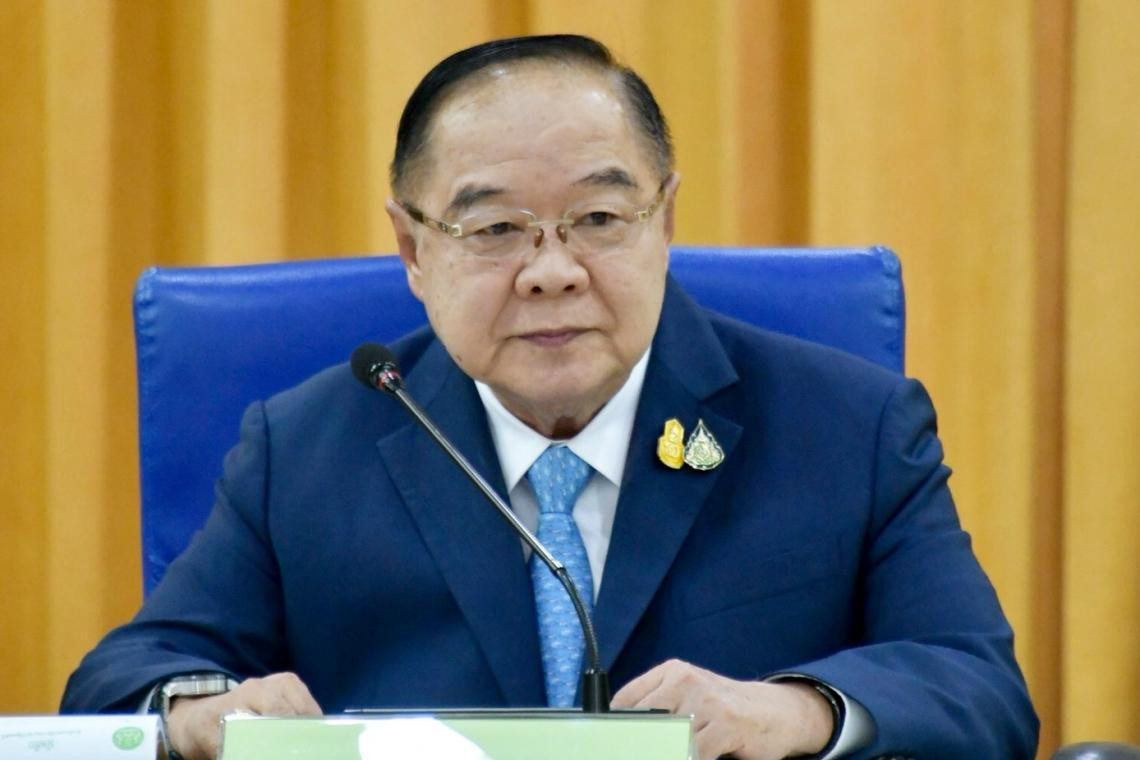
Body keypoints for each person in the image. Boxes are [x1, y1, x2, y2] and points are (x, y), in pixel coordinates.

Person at [61, 35, 1038, 759]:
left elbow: (980, 690)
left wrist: (796, 711)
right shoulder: (306, 448)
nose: (552, 271)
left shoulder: (849, 425)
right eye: (495, 231)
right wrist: (199, 717)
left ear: (665, 220)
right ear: (413, 250)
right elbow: (117, 686)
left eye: (600, 217)